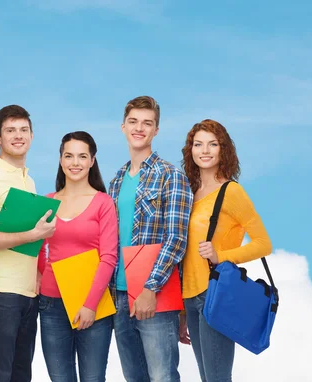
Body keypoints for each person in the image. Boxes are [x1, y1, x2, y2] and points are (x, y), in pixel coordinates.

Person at [0, 105, 56, 382]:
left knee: (20, 375)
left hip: (28, 293)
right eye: (10, 130)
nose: (18, 136)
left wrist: (39, 272)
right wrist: (33, 235)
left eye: (23, 130)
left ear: (31, 135)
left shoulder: (28, 181)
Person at [180, 119, 272, 382]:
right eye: (198, 144)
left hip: (215, 294)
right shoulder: (189, 192)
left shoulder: (231, 192)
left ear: (223, 150)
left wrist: (222, 256)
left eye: (213, 144)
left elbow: (263, 243)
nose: (205, 150)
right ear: (191, 150)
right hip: (190, 298)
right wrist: (182, 312)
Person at [109, 96, 193, 382]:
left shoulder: (171, 176)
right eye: (133, 122)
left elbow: (177, 239)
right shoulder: (117, 180)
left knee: (162, 377)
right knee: (134, 377)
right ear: (123, 127)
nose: (139, 128)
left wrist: (149, 287)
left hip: (154, 296)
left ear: (156, 130)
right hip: (119, 295)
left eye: (147, 123)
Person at [37, 131, 118, 382]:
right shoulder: (48, 201)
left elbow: (108, 257)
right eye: (69, 156)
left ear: (92, 161)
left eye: (82, 156)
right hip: (51, 304)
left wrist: (89, 305)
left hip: (93, 305)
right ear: (61, 160)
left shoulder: (103, 203)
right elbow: (38, 246)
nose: (75, 163)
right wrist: (40, 276)